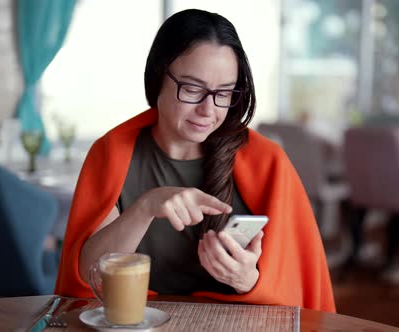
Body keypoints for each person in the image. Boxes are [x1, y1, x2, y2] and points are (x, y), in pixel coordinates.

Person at [54, 9, 335, 312]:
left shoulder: (269, 163)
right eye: (192, 88)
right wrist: (146, 207)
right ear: (158, 76)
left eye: (224, 93)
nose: (207, 110)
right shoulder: (111, 153)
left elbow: (299, 290)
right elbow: (88, 275)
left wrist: (247, 280)